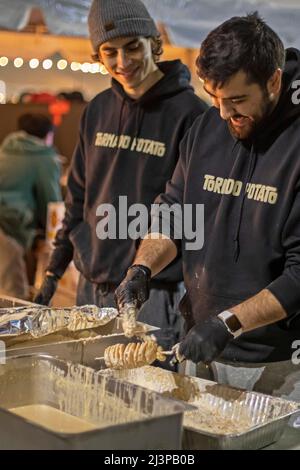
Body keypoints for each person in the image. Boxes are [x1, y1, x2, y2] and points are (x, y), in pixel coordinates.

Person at [115, 13, 300, 400]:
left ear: (274, 82)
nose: (223, 114)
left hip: (278, 365)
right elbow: (175, 208)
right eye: (214, 98)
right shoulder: (208, 126)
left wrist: (228, 324)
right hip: (198, 343)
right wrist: (142, 267)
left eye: (236, 100)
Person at [34, 0, 207, 360]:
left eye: (133, 47)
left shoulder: (192, 115)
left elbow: (192, 213)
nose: (123, 62)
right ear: (98, 55)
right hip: (92, 284)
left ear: (153, 41)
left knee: (150, 394)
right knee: (87, 392)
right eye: (109, 52)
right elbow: (78, 196)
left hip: (154, 291)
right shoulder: (97, 109)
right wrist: (55, 267)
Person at [0, 113, 62, 299]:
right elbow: (52, 204)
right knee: (13, 299)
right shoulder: (45, 158)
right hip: (8, 228)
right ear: (48, 135)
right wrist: (54, 237)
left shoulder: (5, 150)